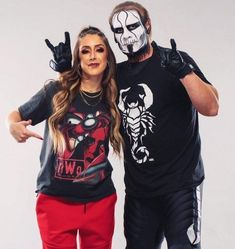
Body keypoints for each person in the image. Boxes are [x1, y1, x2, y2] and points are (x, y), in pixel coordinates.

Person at [45, 2, 219, 248]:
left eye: (132, 26)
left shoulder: (172, 60)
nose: (126, 35)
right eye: (118, 30)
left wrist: (183, 72)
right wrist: (64, 70)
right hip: (140, 190)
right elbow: (81, 98)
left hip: (181, 185)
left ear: (148, 26)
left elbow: (211, 107)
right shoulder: (115, 74)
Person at [7, 26, 123, 249]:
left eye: (99, 50)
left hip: (100, 201)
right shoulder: (56, 90)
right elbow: (16, 114)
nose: (92, 56)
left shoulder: (114, 95)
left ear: (107, 56)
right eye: (85, 51)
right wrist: (13, 126)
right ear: (77, 58)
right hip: (55, 201)